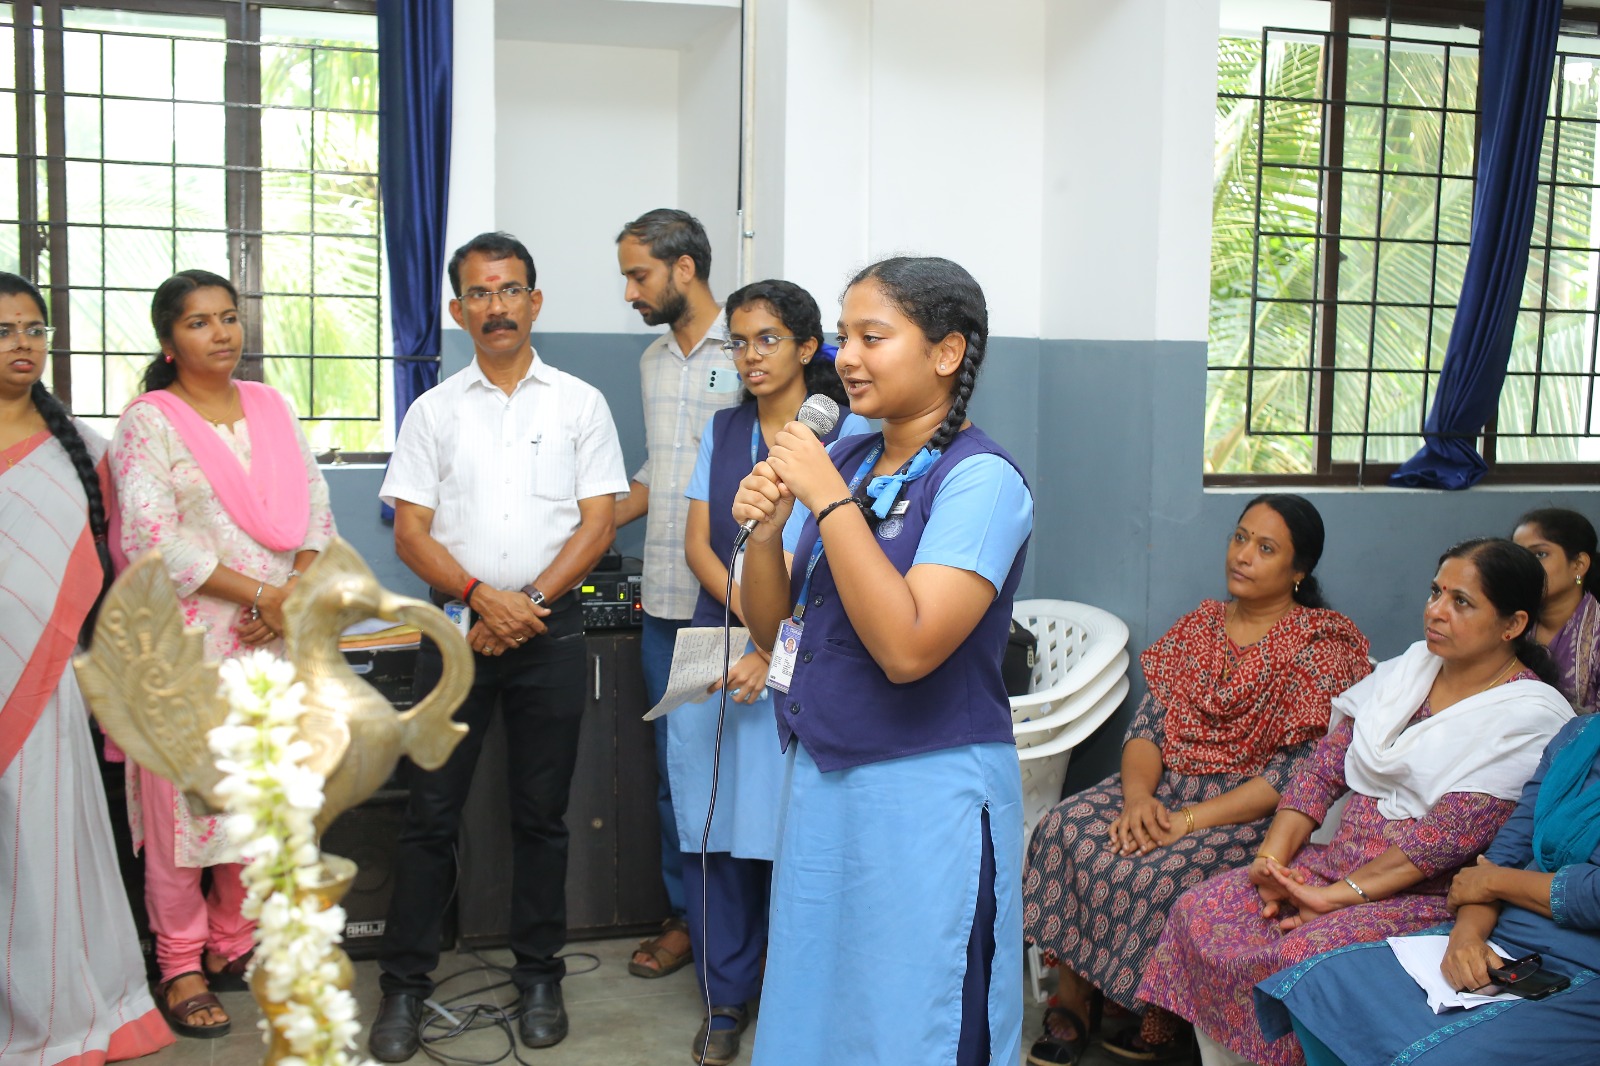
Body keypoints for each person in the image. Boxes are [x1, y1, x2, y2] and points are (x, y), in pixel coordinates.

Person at [733, 256, 1034, 1065]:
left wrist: (827, 501)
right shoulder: (854, 459)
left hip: (925, 793)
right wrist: (766, 534)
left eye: (873, 337)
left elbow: (907, 649)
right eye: (844, 338)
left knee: (915, 1014)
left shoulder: (982, 482)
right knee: (823, 1005)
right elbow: (773, 630)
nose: (848, 359)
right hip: (826, 780)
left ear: (946, 352)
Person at [1138, 538, 1575, 1066]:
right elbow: (1321, 772)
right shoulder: (1407, 672)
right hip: (1331, 865)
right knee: (1201, 909)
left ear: (1513, 624)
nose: (1436, 611)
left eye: (1461, 602)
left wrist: (1333, 899)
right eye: (1436, 592)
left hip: (1421, 897)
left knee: (1301, 953)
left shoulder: (1527, 716)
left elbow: (1439, 843)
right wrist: (1271, 861)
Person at [370, 232, 628, 1059]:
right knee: (429, 815)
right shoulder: (434, 411)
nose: (497, 306)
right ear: (458, 311)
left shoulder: (580, 404)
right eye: (479, 293)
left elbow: (598, 523)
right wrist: (484, 598)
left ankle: (540, 976)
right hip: (455, 636)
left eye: (510, 289)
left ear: (535, 301)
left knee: (541, 817)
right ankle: (404, 987)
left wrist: (530, 605)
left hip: (553, 635)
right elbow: (411, 533)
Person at [1022, 495, 1371, 1064]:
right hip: (1163, 787)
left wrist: (1186, 822)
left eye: (1266, 548)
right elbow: (1148, 727)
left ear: (1299, 570)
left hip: (1248, 810)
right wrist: (1139, 800)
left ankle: (1153, 1015)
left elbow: (1294, 775)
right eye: (1240, 537)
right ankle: (1077, 998)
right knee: (1066, 829)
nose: (1243, 555)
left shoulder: (1319, 647)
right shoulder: (1200, 626)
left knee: (1158, 873)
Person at [111, 269, 335, 1038]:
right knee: (183, 814)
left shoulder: (272, 407)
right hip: (185, 649)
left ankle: (233, 942)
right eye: (199, 322)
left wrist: (289, 596)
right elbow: (154, 537)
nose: (220, 333)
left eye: (229, 317)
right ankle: (179, 962)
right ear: (168, 341)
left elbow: (317, 516)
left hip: (273, 644)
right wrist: (264, 595)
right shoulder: (149, 422)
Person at [671, 279, 869, 1064]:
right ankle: (724, 1000)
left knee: (795, 835)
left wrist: (773, 641)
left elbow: (846, 565)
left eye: (768, 339)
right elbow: (699, 544)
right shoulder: (723, 432)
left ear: (808, 347)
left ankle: (796, 996)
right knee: (714, 829)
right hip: (720, 651)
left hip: (804, 656)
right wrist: (753, 621)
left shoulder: (849, 438)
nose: (751, 356)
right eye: (740, 341)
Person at [0, 273, 175, 1061]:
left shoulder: (79, 448)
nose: (23, 345)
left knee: (40, 847)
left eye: (34, 329)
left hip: (46, 688)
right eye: (4, 331)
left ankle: (58, 1013)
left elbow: (147, 534)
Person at [1255, 710, 1600, 1065]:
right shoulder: (1579, 736)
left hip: (1583, 959)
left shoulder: (1526, 714)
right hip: (1502, 928)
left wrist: (1492, 883)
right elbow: (1503, 856)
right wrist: (1466, 938)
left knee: (1440, 1055)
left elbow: (1583, 894)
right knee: (1319, 986)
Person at [614, 208, 740, 979]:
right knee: (675, 774)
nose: (630, 292)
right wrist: (584, 527)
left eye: (639, 275)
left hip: (735, 604)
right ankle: (688, 919)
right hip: (666, 601)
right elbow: (659, 470)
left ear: (683, 268)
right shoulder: (654, 361)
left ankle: (743, 927)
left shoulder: (751, 346)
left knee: (741, 774)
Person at [1511, 507, 1596, 714]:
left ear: (1579, 565)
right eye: (1519, 555)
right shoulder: (1507, 627)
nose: (1525, 565)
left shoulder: (1596, 635)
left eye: (1540, 554)